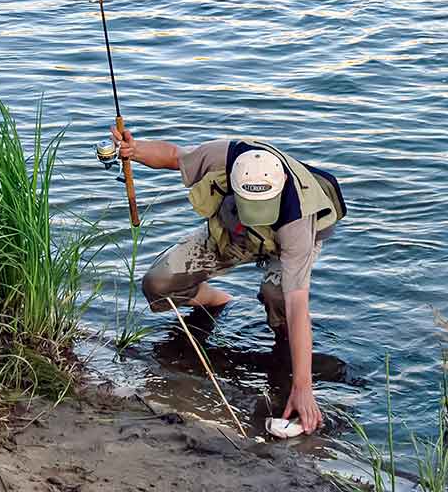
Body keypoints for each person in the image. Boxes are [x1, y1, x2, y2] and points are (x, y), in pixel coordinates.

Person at [110, 126, 347, 434]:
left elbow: (298, 305)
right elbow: (174, 156)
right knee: (158, 285)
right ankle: (215, 300)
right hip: (235, 230)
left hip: (286, 243)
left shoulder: (297, 220)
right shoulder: (224, 156)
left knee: (279, 297)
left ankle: (284, 352)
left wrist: (303, 388)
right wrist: (135, 150)